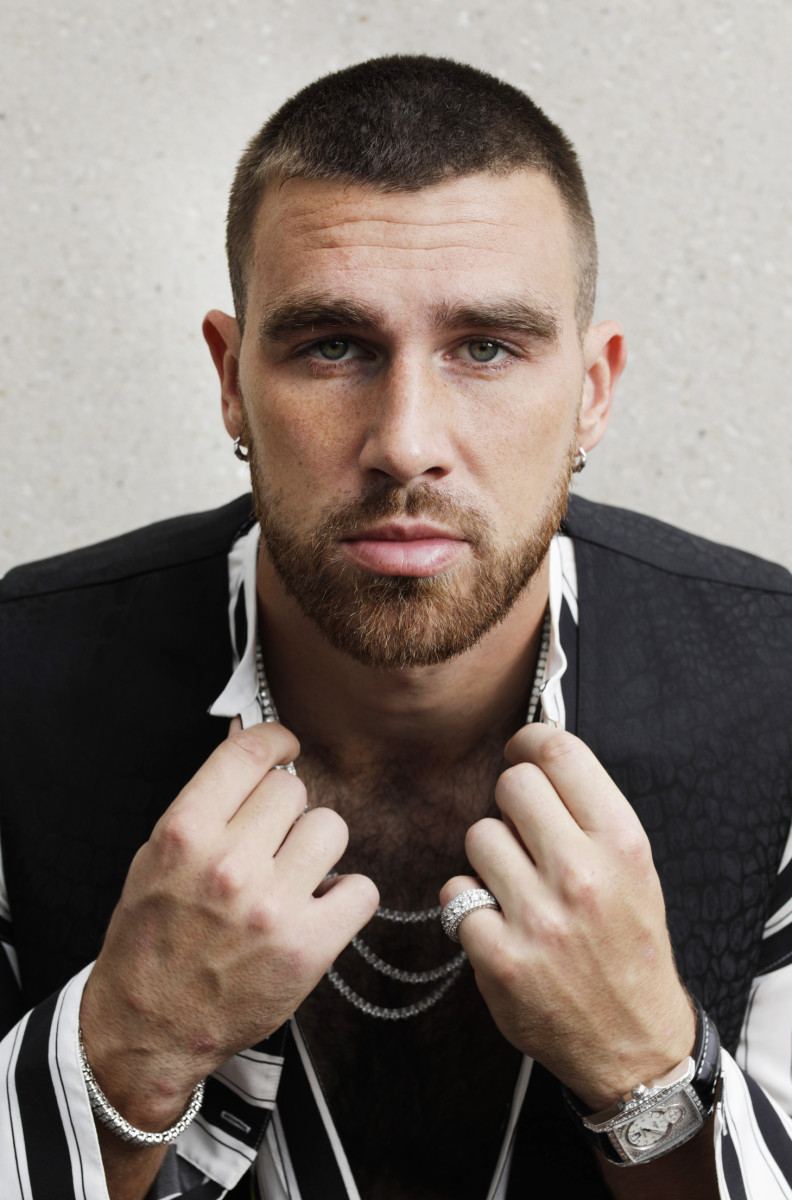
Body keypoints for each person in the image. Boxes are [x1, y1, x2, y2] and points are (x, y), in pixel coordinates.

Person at [1, 54, 791, 1200]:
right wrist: (128, 1048)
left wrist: (647, 1068)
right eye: (333, 345)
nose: (406, 442)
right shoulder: (18, 686)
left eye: (487, 347)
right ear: (231, 380)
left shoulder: (777, 692)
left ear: (593, 391)